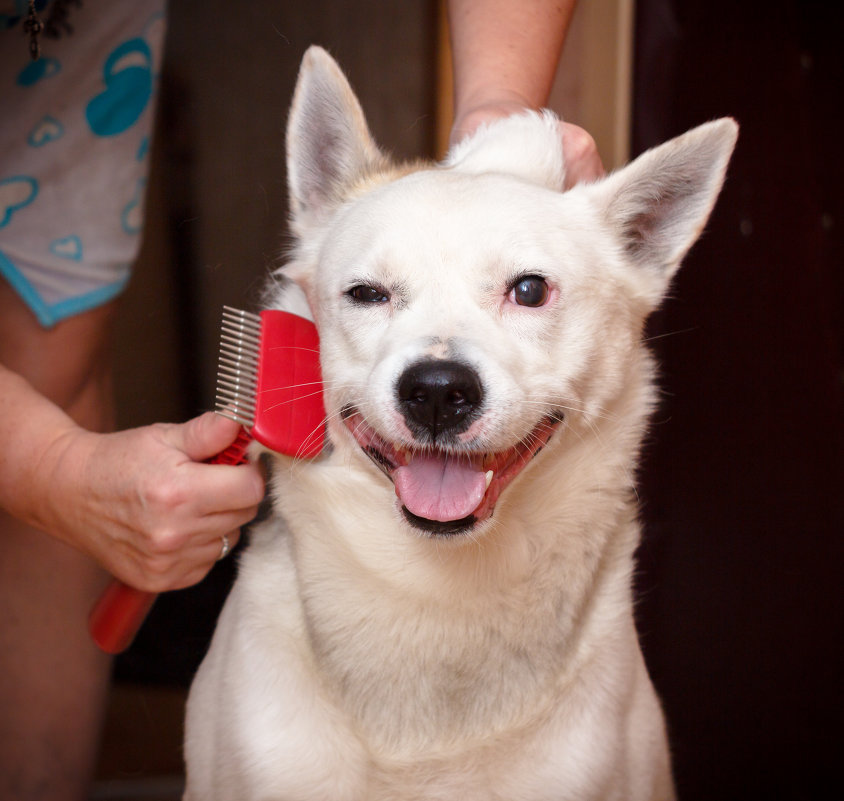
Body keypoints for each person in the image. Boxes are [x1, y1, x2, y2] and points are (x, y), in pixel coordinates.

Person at [0, 1, 601, 798]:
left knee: (56, 369)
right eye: (368, 292)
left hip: (74, 32)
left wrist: (498, 101)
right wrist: (54, 468)